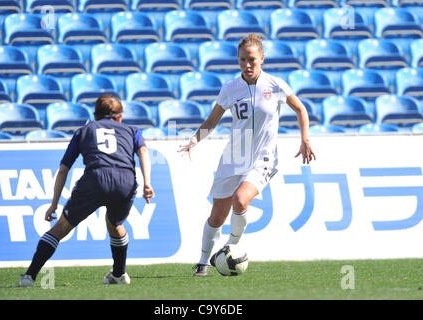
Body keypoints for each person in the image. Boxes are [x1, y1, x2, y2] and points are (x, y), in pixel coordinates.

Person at [178, 34, 316, 276]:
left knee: (241, 201)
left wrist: (305, 139)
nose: (247, 64)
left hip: (262, 159)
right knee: (217, 216)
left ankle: (232, 247)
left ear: (262, 58)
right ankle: (202, 262)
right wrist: (194, 140)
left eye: (252, 59)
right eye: (242, 60)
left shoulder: (276, 85)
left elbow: (301, 109)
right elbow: (212, 121)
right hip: (233, 158)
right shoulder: (230, 88)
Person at [18, 94, 155, 287]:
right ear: (119, 116)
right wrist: (148, 182)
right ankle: (119, 274)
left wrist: (54, 204)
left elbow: (64, 169)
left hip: (95, 180)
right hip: (125, 180)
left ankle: (29, 277)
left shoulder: (84, 131)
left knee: (61, 227)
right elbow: (143, 152)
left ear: (95, 115)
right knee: (115, 224)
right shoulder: (133, 130)